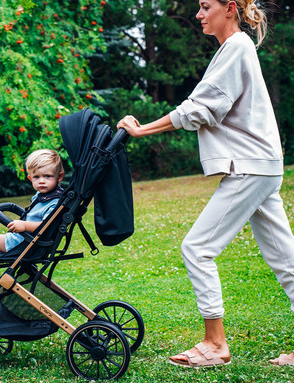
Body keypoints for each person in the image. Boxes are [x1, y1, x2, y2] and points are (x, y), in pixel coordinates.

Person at [117, 0, 294, 368]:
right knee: (286, 261)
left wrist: (141, 129)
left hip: (252, 167)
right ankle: (214, 343)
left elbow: (198, 108)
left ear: (230, 8)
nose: (199, 14)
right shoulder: (236, 48)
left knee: (197, 248)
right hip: (263, 164)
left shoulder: (236, 47)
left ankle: (215, 345)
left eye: (204, 6)